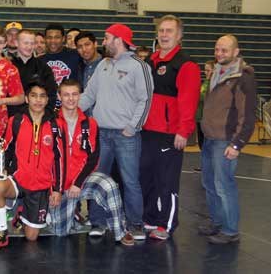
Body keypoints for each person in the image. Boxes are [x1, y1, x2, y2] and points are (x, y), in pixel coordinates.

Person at [79, 23, 154, 241]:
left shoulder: (138, 66)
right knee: (96, 179)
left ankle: (135, 224)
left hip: (125, 135)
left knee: (130, 181)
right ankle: (98, 222)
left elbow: (146, 98)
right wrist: (66, 113)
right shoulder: (103, 64)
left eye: (106, 38)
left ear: (118, 40)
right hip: (101, 133)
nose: (103, 42)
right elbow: (88, 96)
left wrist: (133, 127)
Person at [49, 79, 134, 246]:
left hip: (81, 182)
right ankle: (68, 215)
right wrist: (55, 189)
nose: (71, 99)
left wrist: (78, 183)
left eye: (74, 94)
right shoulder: (51, 123)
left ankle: (120, 231)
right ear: (59, 96)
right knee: (60, 233)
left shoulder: (90, 123)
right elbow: (48, 160)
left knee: (108, 184)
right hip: (59, 187)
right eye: (66, 95)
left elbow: (93, 157)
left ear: (80, 96)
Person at [141, 15, 201, 240]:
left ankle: (166, 224)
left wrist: (183, 131)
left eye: (169, 31)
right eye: (162, 31)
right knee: (146, 177)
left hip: (170, 134)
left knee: (167, 180)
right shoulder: (151, 61)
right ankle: (149, 218)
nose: (164, 35)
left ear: (179, 36)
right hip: (147, 131)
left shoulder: (186, 65)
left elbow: (189, 100)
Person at [0, 81, 64, 250]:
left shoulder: (56, 124)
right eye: (34, 95)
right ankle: (1, 233)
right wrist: (1, 170)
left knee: (31, 238)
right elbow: (5, 148)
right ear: (27, 99)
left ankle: (21, 213)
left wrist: (56, 189)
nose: (38, 100)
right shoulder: (17, 121)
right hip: (19, 178)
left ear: (47, 100)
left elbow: (59, 159)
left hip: (41, 185)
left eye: (42, 96)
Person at [199, 34, 257, 244]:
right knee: (209, 183)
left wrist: (237, 144)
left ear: (236, 52)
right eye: (216, 49)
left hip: (225, 141)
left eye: (224, 50)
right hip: (210, 139)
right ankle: (217, 222)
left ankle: (230, 230)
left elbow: (248, 116)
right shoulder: (216, 72)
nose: (219, 54)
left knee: (224, 185)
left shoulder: (243, 77)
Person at [9, 29, 57, 115]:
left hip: (37, 118)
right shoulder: (7, 66)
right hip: (12, 117)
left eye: (32, 43)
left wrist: (46, 115)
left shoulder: (44, 68)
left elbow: (51, 95)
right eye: (25, 43)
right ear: (16, 43)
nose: (29, 47)